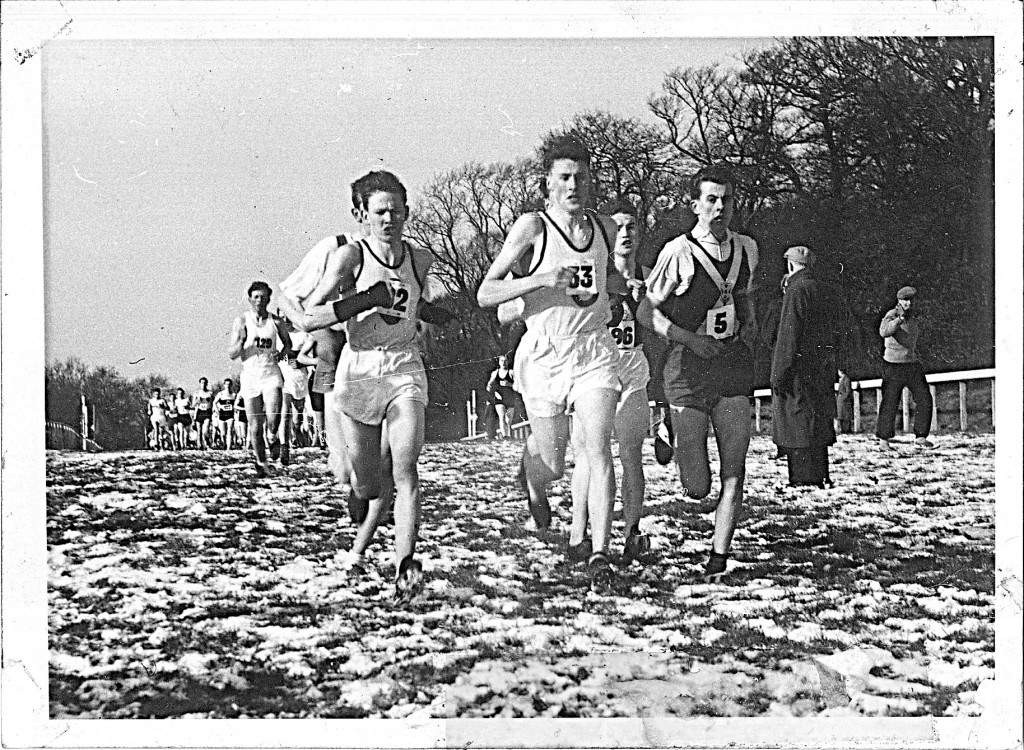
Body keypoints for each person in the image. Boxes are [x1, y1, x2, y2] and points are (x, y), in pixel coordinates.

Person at [477, 134, 625, 592]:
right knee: (555, 463)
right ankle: (532, 478)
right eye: (564, 177)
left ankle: (600, 551)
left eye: (581, 176)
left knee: (598, 448)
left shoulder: (603, 228)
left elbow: (607, 279)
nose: (573, 185)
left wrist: (623, 288)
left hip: (592, 350)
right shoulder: (533, 227)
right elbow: (485, 293)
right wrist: (541, 279)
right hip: (544, 355)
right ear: (549, 183)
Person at [302, 170, 445, 600]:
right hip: (360, 368)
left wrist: (436, 319)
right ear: (361, 214)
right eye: (380, 211)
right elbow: (311, 314)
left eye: (397, 211)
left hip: (404, 367)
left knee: (406, 470)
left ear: (407, 213)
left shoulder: (421, 260)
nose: (389, 219)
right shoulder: (352, 258)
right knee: (367, 483)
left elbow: (417, 306)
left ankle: (407, 570)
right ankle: (361, 497)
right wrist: (365, 300)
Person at [637, 165, 759, 581]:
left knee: (734, 470)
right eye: (711, 199)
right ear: (696, 206)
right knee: (697, 487)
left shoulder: (748, 249)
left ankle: (719, 555)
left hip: (731, 365)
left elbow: (744, 297)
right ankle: (670, 432)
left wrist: (746, 327)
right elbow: (644, 311)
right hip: (687, 367)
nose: (720, 207)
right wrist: (688, 338)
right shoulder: (678, 252)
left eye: (726, 199)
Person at [569, 199, 653, 564]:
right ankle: (578, 532)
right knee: (589, 453)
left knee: (631, 453)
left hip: (632, 366)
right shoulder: (593, 272)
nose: (625, 235)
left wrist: (643, 300)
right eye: (617, 228)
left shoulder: (651, 276)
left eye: (631, 226)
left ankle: (632, 532)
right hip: (593, 366)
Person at [770, 245, 838, 488]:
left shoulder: (796, 291)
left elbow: (789, 335)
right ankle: (820, 475)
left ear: (790, 264)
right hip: (821, 368)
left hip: (798, 370)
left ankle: (802, 479)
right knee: (817, 423)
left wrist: (779, 373)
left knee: (797, 425)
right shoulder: (823, 289)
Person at [229, 281, 291, 476]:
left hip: (270, 373)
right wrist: (241, 340)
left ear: (269, 299)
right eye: (256, 297)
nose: (259, 301)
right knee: (255, 425)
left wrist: (281, 356)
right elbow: (232, 354)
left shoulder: (276, 322)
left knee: (273, 418)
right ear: (249, 299)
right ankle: (261, 462)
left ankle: (272, 437)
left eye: (263, 297)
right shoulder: (241, 321)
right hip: (250, 376)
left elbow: (288, 346)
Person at [876, 286, 933, 448]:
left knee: (924, 398)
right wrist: (899, 320)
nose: (909, 303)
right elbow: (884, 332)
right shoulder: (891, 314)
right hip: (893, 366)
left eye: (911, 300)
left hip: (911, 364)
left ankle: (921, 437)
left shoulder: (914, 316)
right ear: (899, 300)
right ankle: (884, 441)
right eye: (906, 300)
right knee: (890, 402)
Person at [485, 354, 517, 439]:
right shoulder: (495, 373)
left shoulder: (511, 372)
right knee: (502, 417)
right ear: (499, 362)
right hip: (499, 398)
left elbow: (518, 386)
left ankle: (509, 435)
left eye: (505, 361)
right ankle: (505, 436)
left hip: (510, 398)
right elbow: (489, 383)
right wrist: (489, 387)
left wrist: (509, 384)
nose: (504, 363)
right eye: (502, 361)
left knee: (508, 421)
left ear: (508, 362)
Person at [191, 377, 214, 450]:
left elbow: (213, 402)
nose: (203, 384)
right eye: (202, 383)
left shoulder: (210, 393)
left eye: (204, 383)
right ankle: (199, 445)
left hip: (207, 412)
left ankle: (207, 444)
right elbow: (193, 405)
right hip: (199, 411)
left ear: (207, 384)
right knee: (199, 431)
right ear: (200, 384)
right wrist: (197, 401)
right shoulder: (196, 393)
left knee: (205, 430)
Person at [213, 378, 236, 449]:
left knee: (229, 431)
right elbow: (214, 402)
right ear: (224, 385)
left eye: (229, 384)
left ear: (231, 385)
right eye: (226, 384)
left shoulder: (233, 395)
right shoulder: (220, 394)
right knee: (223, 433)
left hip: (230, 415)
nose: (228, 386)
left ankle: (228, 448)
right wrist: (217, 410)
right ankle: (224, 444)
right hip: (222, 415)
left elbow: (236, 404)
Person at [835, 368, 853, 435]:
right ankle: (842, 430)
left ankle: (846, 430)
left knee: (845, 416)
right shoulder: (841, 379)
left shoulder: (846, 379)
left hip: (844, 401)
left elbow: (848, 391)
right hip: (840, 401)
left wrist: (843, 397)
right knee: (840, 415)